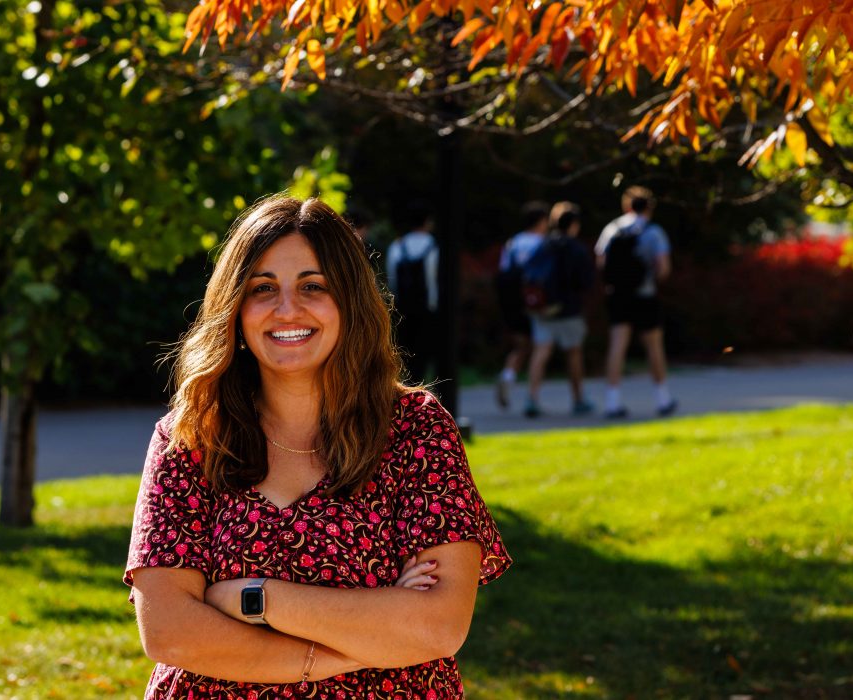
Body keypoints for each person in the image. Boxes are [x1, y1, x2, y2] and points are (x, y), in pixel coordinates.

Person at [124, 196, 510, 699]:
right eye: (263, 288)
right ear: (234, 310)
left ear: (349, 300)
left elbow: (436, 627)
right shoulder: (192, 437)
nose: (288, 309)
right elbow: (169, 631)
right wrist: (351, 647)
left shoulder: (415, 430)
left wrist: (254, 598)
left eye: (313, 286)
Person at [594, 185, 677, 419]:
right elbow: (663, 267)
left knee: (617, 346)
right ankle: (662, 399)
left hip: (618, 296)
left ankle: (612, 402)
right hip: (645, 295)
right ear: (649, 208)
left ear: (627, 206)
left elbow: (601, 263)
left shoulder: (612, 229)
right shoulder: (653, 231)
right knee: (653, 346)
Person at [523, 201, 595, 418]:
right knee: (573, 353)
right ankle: (578, 399)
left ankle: (532, 398)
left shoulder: (543, 245)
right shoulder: (576, 249)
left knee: (541, 351)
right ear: (574, 224)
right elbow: (586, 282)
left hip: (542, 307)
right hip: (568, 310)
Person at [495, 201, 549, 409]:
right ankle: (532, 396)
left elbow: (503, 271)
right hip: (535, 301)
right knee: (540, 345)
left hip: (512, 301)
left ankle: (508, 375)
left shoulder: (513, 243)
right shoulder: (542, 243)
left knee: (521, 345)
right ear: (542, 221)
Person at [385, 201, 439, 383]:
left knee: (404, 351)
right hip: (426, 307)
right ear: (427, 222)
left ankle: (405, 387)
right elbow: (433, 279)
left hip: (403, 307)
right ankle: (420, 386)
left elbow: (392, 278)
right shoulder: (433, 246)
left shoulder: (397, 246)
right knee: (423, 352)